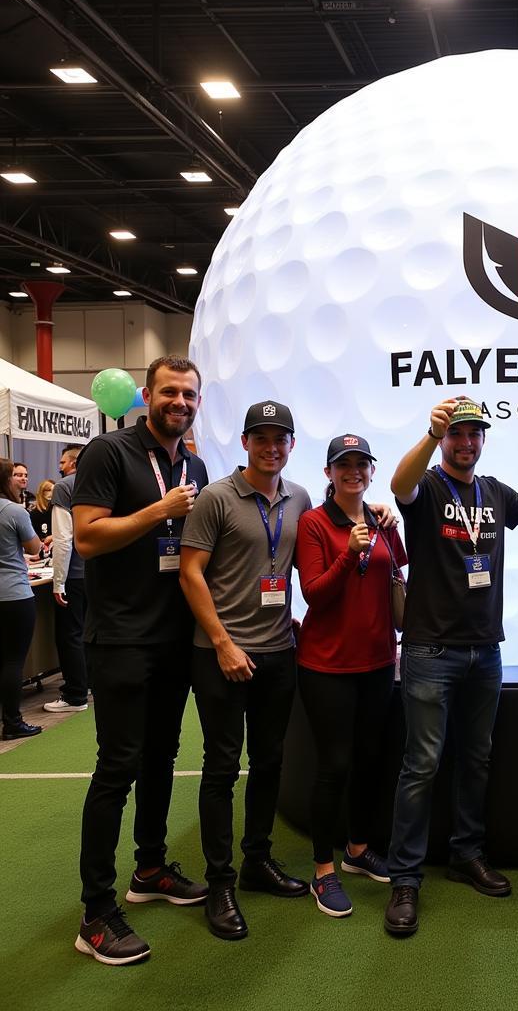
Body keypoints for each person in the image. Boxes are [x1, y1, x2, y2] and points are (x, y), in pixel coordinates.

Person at [384, 397, 518, 937]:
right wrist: (427, 430)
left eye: (474, 434)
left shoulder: (493, 491)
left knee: (477, 759)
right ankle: (405, 878)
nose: (466, 443)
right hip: (430, 650)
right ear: (445, 440)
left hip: (484, 649)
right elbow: (400, 485)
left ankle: (467, 853)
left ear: (483, 440)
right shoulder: (429, 488)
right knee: (421, 766)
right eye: (457, 435)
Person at [72, 355, 209, 967]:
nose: (180, 402)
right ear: (147, 395)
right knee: (117, 767)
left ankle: (149, 868)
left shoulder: (194, 462)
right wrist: (160, 511)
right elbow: (87, 538)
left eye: (189, 394)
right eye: (170, 392)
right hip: (122, 636)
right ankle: (96, 912)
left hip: (174, 637)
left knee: (161, 758)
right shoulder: (110, 453)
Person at [179, 401, 313, 941]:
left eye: (280, 437)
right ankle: (220, 882)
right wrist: (222, 643)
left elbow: (309, 558)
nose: (271, 446)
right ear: (244, 442)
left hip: (278, 652)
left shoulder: (298, 497)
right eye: (261, 437)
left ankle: (257, 861)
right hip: (222, 655)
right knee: (220, 766)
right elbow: (190, 572)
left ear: (290, 444)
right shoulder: (216, 498)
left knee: (270, 762)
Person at [295, 433, 407, 918]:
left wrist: (391, 525)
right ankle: (323, 870)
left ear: (371, 472)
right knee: (333, 765)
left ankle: (358, 850)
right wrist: (350, 552)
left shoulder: (380, 520)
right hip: (327, 665)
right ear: (328, 473)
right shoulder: (314, 522)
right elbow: (315, 593)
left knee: (368, 760)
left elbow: (399, 571)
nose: (353, 473)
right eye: (344, 466)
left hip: (379, 662)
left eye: (361, 465)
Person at [0, 458, 44, 740]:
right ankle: (12, 722)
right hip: (14, 593)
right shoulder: (14, 511)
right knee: (13, 660)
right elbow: (34, 547)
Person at [44, 445, 89, 714]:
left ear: (73, 463)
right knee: (89, 631)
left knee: (70, 634)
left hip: (74, 574)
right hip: (97, 571)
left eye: (63, 461)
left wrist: (58, 582)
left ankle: (75, 694)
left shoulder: (65, 487)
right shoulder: (103, 482)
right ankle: (88, 683)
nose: (60, 465)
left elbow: (63, 538)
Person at [30, 479, 55, 545]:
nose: (52, 493)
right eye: (49, 490)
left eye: (54, 490)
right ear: (42, 492)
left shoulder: (55, 511)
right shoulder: (34, 514)